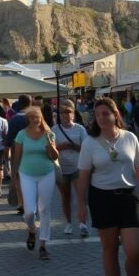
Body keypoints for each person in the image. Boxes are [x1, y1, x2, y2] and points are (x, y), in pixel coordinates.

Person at [76, 97, 139, 276]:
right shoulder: (89, 143)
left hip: (128, 197)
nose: (101, 118)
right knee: (109, 249)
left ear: (115, 115)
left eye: (105, 113)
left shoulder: (130, 138)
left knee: (135, 252)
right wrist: (81, 206)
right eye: (98, 114)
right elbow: (83, 177)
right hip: (101, 198)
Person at [12, 106, 59, 260]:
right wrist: (14, 176)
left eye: (37, 117)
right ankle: (32, 229)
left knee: (44, 209)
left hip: (47, 173)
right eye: (31, 117)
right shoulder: (21, 135)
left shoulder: (49, 134)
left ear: (41, 118)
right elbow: (16, 157)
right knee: (29, 211)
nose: (34, 120)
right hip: (26, 175)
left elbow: (54, 157)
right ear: (28, 119)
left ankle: (43, 245)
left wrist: (51, 145)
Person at [53, 99, 89, 237]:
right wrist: (60, 147)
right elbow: (50, 149)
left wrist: (73, 146)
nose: (66, 115)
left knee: (81, 196)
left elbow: (87, 149)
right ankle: (68, 223)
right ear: (59, 114)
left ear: (73, 114)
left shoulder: (79, 129)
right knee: (66, 197)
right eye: (63, 112)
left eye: (69, 112)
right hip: (61, 168)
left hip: (78, 167)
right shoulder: (54, 129)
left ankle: (82, 223)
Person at [4, 95, 31, 215]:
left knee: (19, 178)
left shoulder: (13, 120)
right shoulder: (34, 118)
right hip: (32, 152)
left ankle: (21, 203)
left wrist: (6, 155)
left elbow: (8, 140)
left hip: (17, 152)